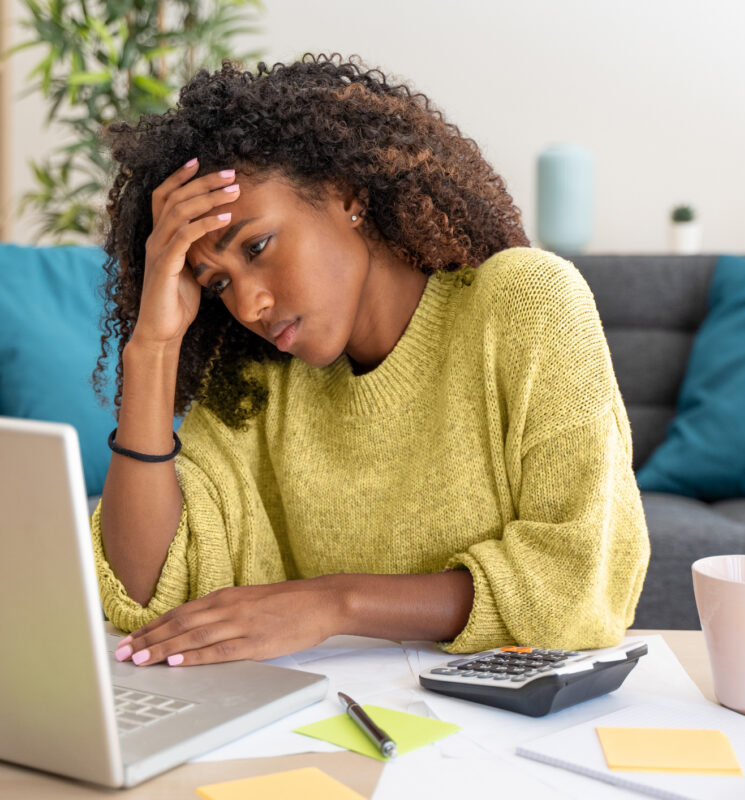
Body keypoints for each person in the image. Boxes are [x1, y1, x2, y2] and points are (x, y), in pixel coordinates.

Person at [91, 54, 650, 669]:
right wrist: (152, 347)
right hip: (326, 722)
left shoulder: (525, 302)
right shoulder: (254, 377)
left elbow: (586, 585)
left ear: (348, 195)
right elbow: (144, 594)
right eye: (216, 284)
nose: (249, 303)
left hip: (509, 728)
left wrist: (336, 603)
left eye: (257, 245)